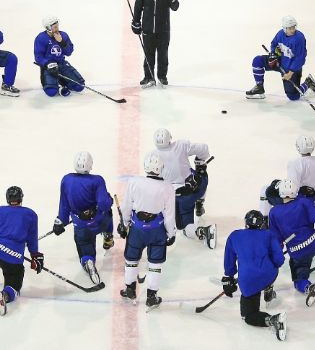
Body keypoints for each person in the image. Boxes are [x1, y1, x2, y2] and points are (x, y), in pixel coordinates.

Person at [118, 152, 176, 311]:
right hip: (157, 231)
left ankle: (130, 290)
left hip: (137, 229)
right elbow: (169, 215)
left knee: (131, 259)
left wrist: (123, 224)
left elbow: (126, 206)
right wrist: (171, 234)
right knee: (155, 264)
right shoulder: (167, 187)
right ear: (161, 168)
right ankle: (152, 296)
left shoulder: (134, 182)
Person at [268, 179, 315, 307]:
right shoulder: (304, 202)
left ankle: (308, 287)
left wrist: (277, 251)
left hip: (297, 253)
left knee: (299, 280)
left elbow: (276, 239)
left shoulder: (273, 212)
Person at [222, 210, 288, 342]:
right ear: (261, 224)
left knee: (248, 316)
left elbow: (229, 261)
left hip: (248, 281)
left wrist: (229, 278)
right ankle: (268, 288)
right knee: (269, 271)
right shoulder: (269, 235)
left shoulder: (234, 236)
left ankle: (272, 320)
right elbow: (279, 260)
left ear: (246, 223)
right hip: (269, 275)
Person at [51, 151, 114, 284]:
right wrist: (109, 199)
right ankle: (108, 237)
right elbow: (104, 204)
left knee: (85, 245)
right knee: (108, 214)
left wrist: (60, 220)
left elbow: (64, 204)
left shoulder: (66, 179)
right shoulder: (97, 180)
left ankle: (88, 260)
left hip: (81, 225)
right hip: (98, 221)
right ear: (90, 165)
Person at [0, 186, 44, 315]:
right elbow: (32, 239)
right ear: (21, 198)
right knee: (14, 285)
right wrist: (35, 256)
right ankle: (5, 295)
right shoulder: (31, 214)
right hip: (13, 260)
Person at [152, 128, 216, 248]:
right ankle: (200, 203)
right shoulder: (181, 145)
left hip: (174, 199)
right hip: (194, 190)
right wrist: (201, 161)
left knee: (185, 228)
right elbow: (203, 148)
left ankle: (203, 231)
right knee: (201, 177)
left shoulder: (152, 156)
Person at [246, 16, 315, 100]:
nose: (292, 30)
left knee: (293, 97)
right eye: (289, 28)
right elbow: (274, 43)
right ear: (284, 28)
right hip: (279, 61)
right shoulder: (280, 34)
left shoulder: (299, 38)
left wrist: (290, 73)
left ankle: (308, 83)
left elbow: (300, 58)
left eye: (294, 27)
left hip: (291, 68)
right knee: (257, 61)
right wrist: (273, 54)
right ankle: (259, 87)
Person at [130, 0, 180, 87]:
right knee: (148, 55)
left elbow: (176, 6)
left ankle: (162, 77)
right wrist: (136, 22)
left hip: (163, 31)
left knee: (163, 55)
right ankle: (149, 77)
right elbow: (137, 8)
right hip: (148, 30)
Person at [33, 16, 85, 97]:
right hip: (49, 66)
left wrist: (61, 42)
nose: (57, 28)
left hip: (61, 63)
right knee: (51, 92)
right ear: (48, 28)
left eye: (57, 26)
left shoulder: (63, 35)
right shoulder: (41, 38)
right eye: (55, 27)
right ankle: (54, 82)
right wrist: (47, 63)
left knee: (79, 86)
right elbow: (38, 56)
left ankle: (62, 81)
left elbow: (69, 52)